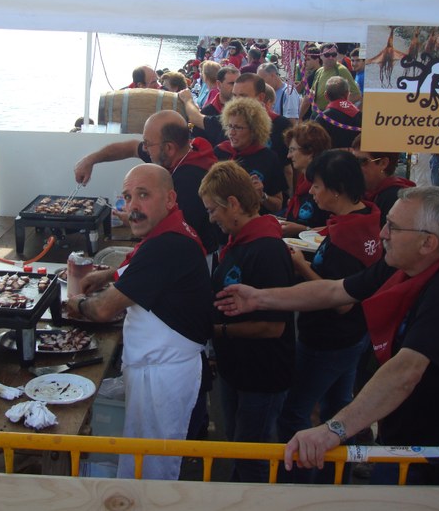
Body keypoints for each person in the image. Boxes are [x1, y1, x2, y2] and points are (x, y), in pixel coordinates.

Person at [215, 186, 439, 485]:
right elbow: (335, 290)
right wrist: (259, 299)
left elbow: (405, 372)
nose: (383, 234)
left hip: (435, 459)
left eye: (394, 227)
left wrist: (333, 429)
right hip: (401, 442)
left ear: (428, 242)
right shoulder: (404, 264)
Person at [65, 164, 213, 480]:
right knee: (140, 462)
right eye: (128, 197)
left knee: (153, 472)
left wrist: (74, 297)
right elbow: (145, 272)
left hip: (164, 378)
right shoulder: (170, 234)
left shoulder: (167, 246)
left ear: (170, 199)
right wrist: (109, 274)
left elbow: (104, 310)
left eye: (143, 195)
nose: (133, 207)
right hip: (157, 370)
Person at [277, 150, 382, 483]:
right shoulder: (369, 218)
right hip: (355, 337)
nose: (311, 191)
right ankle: (335, 481)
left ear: (336, 189)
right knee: (339, 413)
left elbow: (340, 302)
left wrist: (301, 265)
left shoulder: (344, 241)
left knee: (293, 414)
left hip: (328, 340)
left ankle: (297, 485)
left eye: (318, 185)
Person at [198, 160, 295, 482]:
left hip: (262, 375)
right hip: (237, 369)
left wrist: (216, 331)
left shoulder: (266, 249)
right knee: (236, 445)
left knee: (250, 455)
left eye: (213, 209)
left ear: (234, 204)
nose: (211, 217)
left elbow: (273, 326)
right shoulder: (238, 243)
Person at [74, 110, 220, 256]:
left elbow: (174, 235)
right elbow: (131, 147)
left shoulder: (191, 182)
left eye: (147, 144)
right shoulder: (174, 153)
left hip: (192, 255)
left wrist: (134, 218)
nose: (144, 148)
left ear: (169, 148)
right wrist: (91, 160)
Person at [213, 97, 286, 215]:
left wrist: (262, 196)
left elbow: (278, 205)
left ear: (254, 130)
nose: (231, 132)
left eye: (238, 127)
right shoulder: (220, 152)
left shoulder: (268, 158)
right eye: (230, 126)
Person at [280, 122, 332, 237]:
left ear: (310, 152)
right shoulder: (303, 181)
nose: (289, 156)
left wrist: (305, 230)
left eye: (292, 150)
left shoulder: (327, 184)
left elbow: (337, 227)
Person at [351, 134, 415, 226]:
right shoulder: (364, 191)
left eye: (361, 161)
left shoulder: (393, 197)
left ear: (383, 163)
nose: (354, 166)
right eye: (352, 160)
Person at [302, 43, 361, 119]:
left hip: (332, 117)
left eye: (334, 55)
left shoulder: (341, 70)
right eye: (327, 55)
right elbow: (310, 95)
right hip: (316, 114)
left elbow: (356, 95)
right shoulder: (319, 71)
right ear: (321, 56)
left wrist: (336, 108)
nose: (331, 57)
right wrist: (300, 117)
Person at [314, 76, 362, 148]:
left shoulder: (322, 118)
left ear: (326, 96)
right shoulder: (359, 116)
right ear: (347, 94)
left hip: (329, 158)